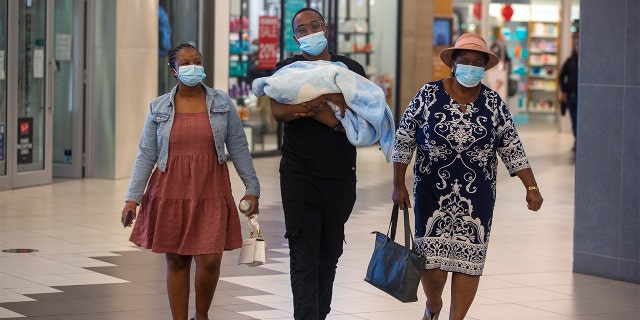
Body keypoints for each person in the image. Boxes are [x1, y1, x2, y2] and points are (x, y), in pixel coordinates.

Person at [391, 33, 543, 320]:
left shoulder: (493, 103)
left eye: (477, 63)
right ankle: (433, 304)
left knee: (469, 261)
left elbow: (512, 147)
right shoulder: (428, 94)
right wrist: (398, 183)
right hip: (430, 192)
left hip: (477, 196)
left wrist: (531, 186)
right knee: (431, 264)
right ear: (453, 63)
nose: (471, 67)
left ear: (485, 68)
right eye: (465, 61)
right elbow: (403, 138)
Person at [120, 43, 260, 320]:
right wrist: (132, 199)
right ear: (173, 70)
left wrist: (252, 188)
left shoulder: (222, 103)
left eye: (197, 61)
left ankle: (202, 315)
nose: (193, 66)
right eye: (185, 63)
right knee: (177, 260)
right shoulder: (159, 106)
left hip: (210, 189)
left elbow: (239, 146)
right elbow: (146, 153)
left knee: (210, 259)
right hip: (169, 190)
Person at [268, 8, 366, 320]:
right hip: (299, 175)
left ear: (326, 27)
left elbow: (364, 119)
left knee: (330, 253)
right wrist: (317, 107)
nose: (310, 32)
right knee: (303, 253)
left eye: (315, 25)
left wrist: (330, 119)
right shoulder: (287, 68)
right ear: (294, 37)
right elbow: (278, 112)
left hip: (339, 175)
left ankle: (319, 314)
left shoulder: (350, 68)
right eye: (302, 29)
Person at [559, 33, 579, 151]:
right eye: (576, 44)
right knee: (574, 120)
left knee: (579, 121)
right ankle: (577, 141)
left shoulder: (587, 62)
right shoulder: (569, 61)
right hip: (572, 96)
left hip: (584, 98)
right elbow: (561, 76)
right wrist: (564, 92)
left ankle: (578, 142)